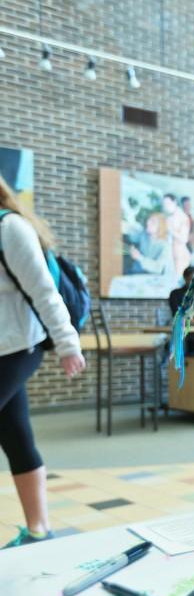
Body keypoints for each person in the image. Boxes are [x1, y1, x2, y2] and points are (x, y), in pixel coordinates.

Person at [0, 176, 86, 548]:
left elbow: (44, 292)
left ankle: (40, 530)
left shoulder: (10, 227)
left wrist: (69, 345)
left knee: (16, 434)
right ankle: (39, 531)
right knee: (16, 435)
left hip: (18, 348)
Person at [162, 194, 192, 277]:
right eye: (164, 204)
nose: (166, 207)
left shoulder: (182, 217)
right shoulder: (170, 218)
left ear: (174, 202)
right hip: (172, 255)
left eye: (168, 204)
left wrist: (170, 230)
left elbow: (184, 239)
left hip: (181, 255)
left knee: (179, 280)